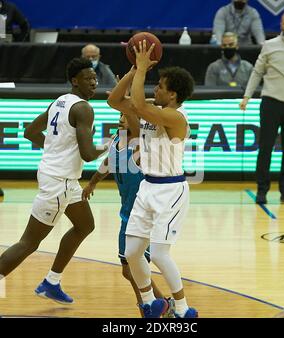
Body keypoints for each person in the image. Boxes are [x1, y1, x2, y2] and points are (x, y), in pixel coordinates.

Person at [0, 57, 109, 304]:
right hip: (59, 182)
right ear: (74, 81)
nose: (94, 83)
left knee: (85, 226)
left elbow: (30, 131)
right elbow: (88, 155)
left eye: (95, 78)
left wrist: (53, 150)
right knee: (28, 243)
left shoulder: (59, 101)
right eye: (88, 79)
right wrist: (109, 144)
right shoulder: (83, 108)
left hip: (63, 179)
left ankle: (52, 282)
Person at [107, 40, 198, 318]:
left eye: (160, 86)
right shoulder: (150, 106)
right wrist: (135, 70)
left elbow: (137, 105)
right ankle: (150, 302)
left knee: (159, 254)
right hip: (147, 186)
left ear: (172, 95)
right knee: (132, 252)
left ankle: (182, 308)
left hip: (171, 190)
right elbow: (114, 101)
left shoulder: (175, 117)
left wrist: (142, 69)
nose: (154, 88)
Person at [82, 113, 175, 318]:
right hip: (127, 214)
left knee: (133, 267)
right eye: (121, 114)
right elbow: (109, 162)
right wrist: (93, 182)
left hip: (145, 216)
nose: (122, 118)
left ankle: (152, 308)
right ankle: (162, 305)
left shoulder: (143, 147)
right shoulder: (117, 140)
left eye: (127, 116)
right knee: (129, 269)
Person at [240, 11, 284, 205]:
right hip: (271, 102)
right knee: (265, 148)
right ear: (281, 24)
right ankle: (262, 190)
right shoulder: (269, 45)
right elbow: (257, 72)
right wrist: (247, 97)